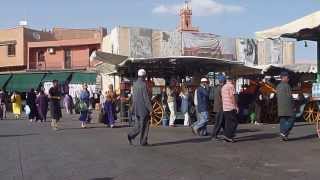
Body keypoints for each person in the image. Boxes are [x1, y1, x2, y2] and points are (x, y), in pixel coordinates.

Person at [127, 69, 153, 146]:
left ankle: (131, 135)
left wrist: (133, 108)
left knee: (138, 125)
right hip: (143, 109)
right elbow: (146, 99)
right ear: (144, 76)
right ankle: (143, 141)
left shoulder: (134, 84)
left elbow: (133, 97)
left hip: (136, 108)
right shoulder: (144, 85)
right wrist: (150, 109)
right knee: (145, 125)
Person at [276, 71, 294, 141]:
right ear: (283, 77)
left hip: (280, 107)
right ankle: (284, 132)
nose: (288, 78)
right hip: (288, 106)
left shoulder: (278, 86)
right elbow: (290, 96)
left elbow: (277, 96)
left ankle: (283, 136)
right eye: (287, 77)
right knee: (292, 119)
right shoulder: (287, 85)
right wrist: (293, 104)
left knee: (282, 121)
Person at [221, 77, 239, 143]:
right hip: (231, 106)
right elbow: (232, 97)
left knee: (228, 122)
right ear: (231, 80)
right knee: (234, 122)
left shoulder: (223, 87)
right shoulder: (231, 86)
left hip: (225, 107)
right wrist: (236, 106)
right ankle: (229, 136)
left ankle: (226, 136)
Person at [212, 75, 225, 140]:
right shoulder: (221, 88)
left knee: (222, 122)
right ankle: (214, 135)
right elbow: (223, 98)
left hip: (218, 107)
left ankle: (227, 134)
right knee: (219, 122)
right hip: (220, 107)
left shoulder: (217, 88)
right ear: (223, 81)